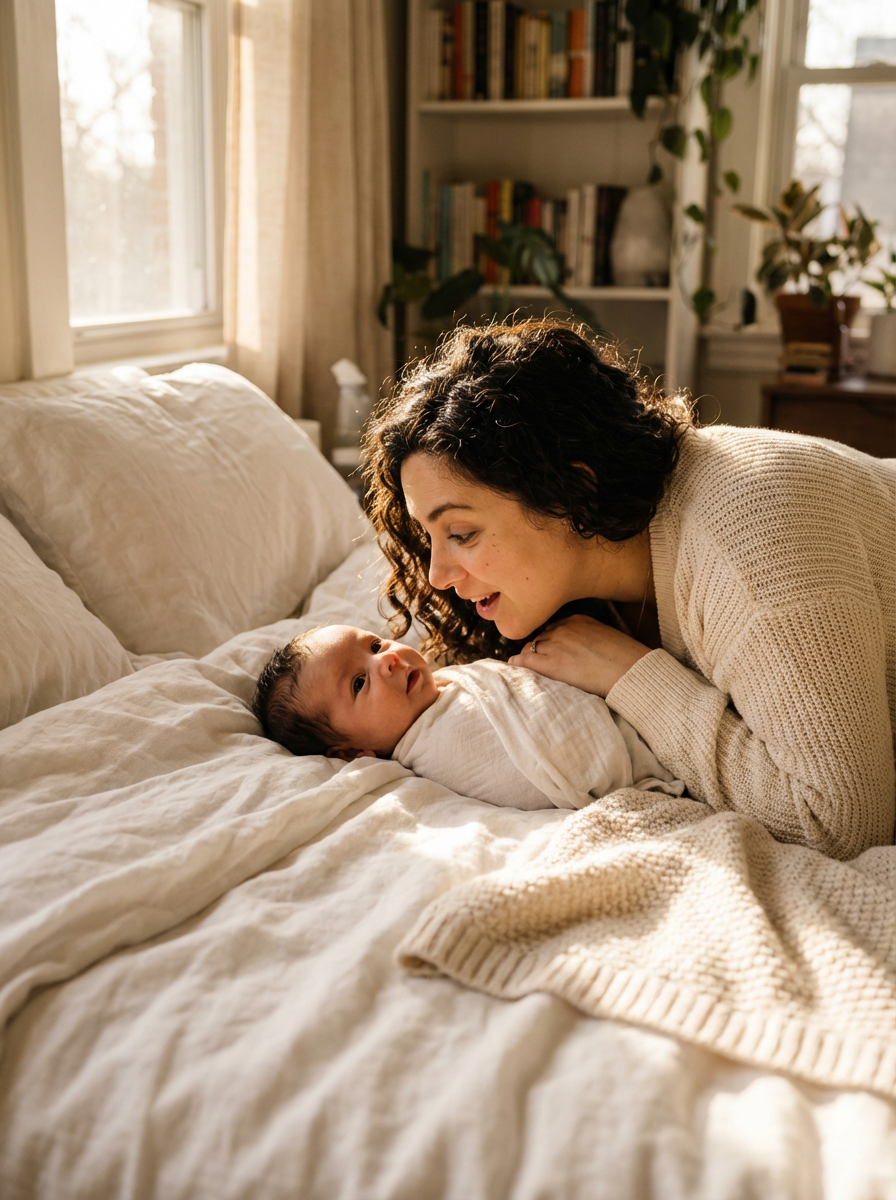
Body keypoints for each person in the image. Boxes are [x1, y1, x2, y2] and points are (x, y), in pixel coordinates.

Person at [362, 318, 896, 860]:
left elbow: (839, 825)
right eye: (429, 536)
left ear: (571, 490)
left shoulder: (752, 533)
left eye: (461, 533)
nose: (437, 575)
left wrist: (631, 675)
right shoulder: (586, 581)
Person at [252, 624, 683, 810]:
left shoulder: (445, 683)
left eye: (376, 645)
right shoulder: (429, 752)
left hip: (640, 707)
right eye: (358, 684)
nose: (385, 662)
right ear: (350, 751)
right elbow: (524, 778)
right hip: (629, 764)